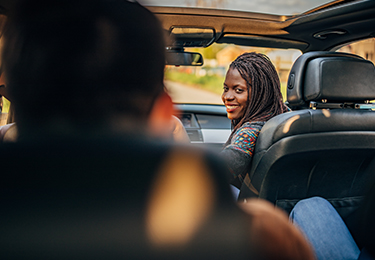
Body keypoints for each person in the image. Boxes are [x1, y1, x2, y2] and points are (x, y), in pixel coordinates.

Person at [0, 1, 313, 259]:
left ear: (10, 98)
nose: (227, 96)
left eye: (238, 90)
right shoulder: (263, 236)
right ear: (165, 112)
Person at [221, 52, 288, 190]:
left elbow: (220, 170)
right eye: (226, 89)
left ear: (260, 93)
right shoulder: (286, 115)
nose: (227, 96)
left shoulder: (251, 131)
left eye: (238, 90)